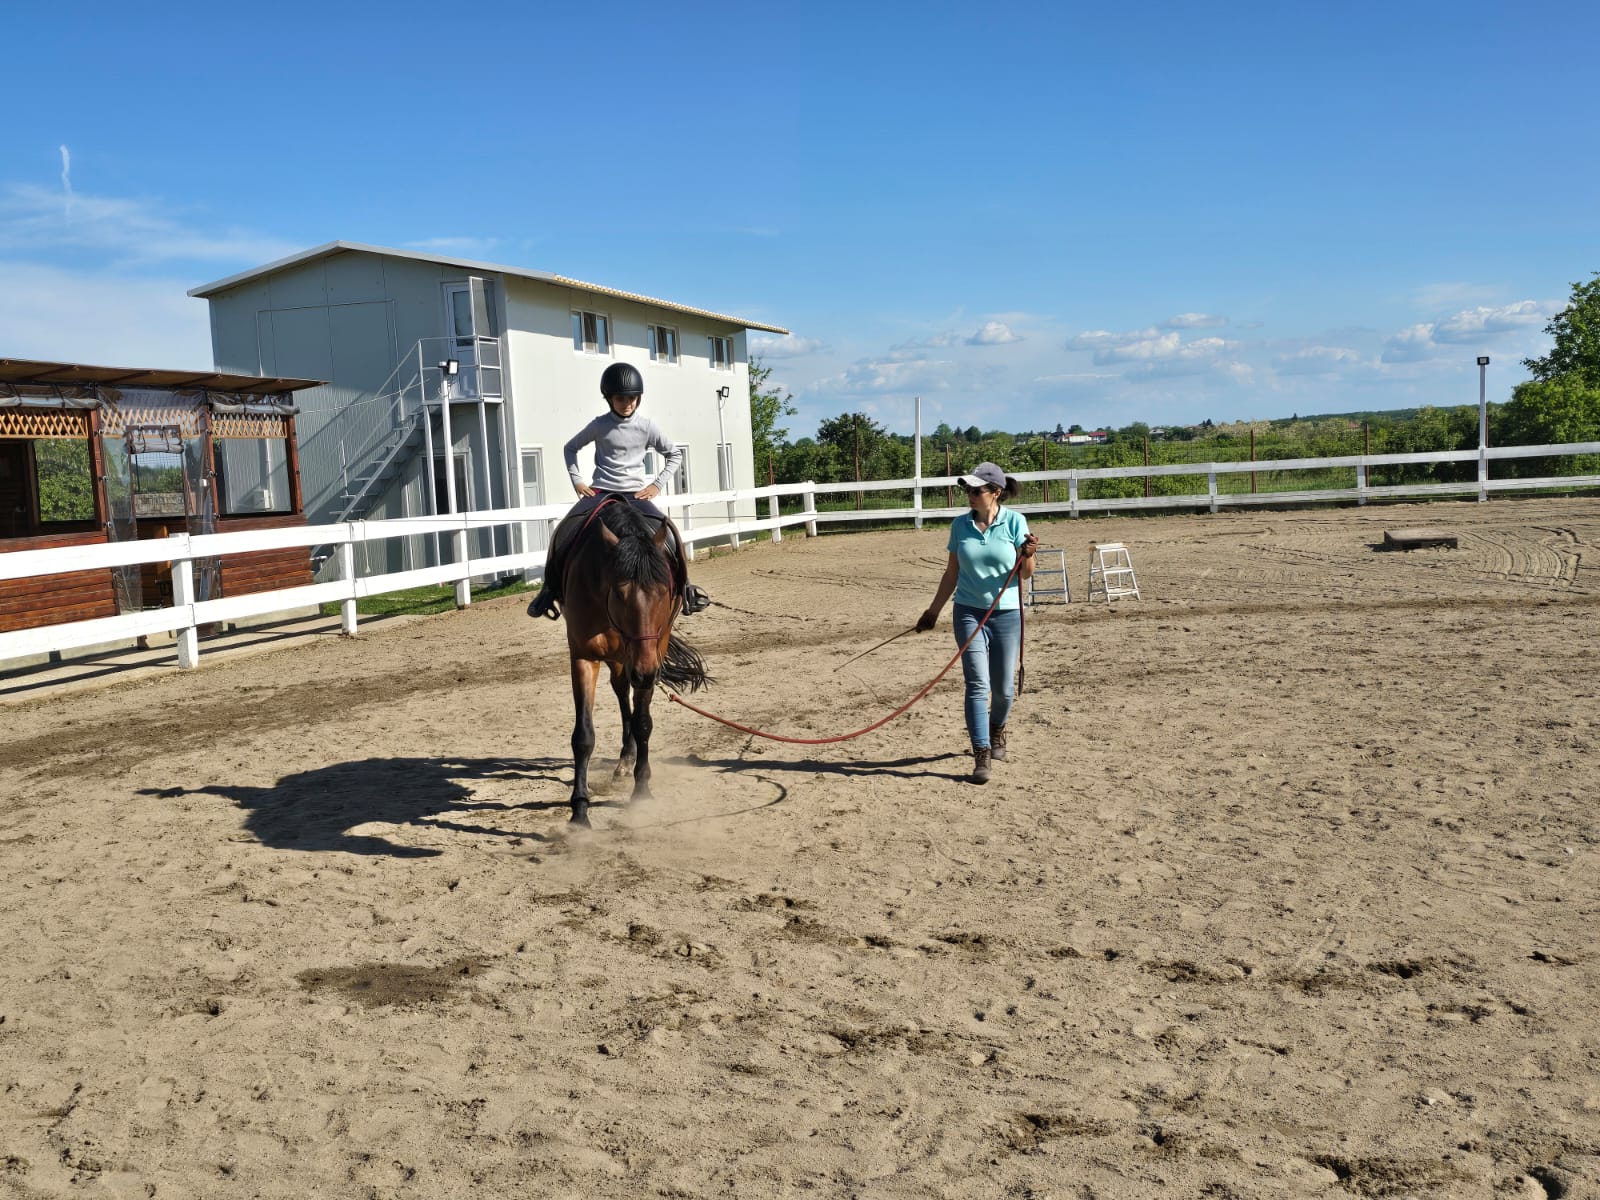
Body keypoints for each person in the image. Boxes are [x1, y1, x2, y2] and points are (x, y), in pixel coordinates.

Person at [528, 361, 710, 619]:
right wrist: (577, 480)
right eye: (621, 398)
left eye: (633, 398)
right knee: (566, 529)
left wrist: (657, 485)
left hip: (636, 494)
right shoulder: (599, 425)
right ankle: (548, 591)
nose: (628, 403)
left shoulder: (647, 426)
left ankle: (686, 588)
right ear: (609, 398)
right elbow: (570, 448)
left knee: (669, 532)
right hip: (601, 491)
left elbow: (675, 454)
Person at [915, 461, 1037, 784]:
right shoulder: (959, 527)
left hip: (1007, 613)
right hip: (968, 612)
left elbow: (1025, 573)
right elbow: (951, 573)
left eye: (976, 490)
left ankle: (998, 728)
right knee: (977, 684)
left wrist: (1028, 554)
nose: (969, 494)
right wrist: (933, 612)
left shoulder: (1015, 522)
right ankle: (981, 752)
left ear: (995, 493)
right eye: (967, 489)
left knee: (1004, 690)